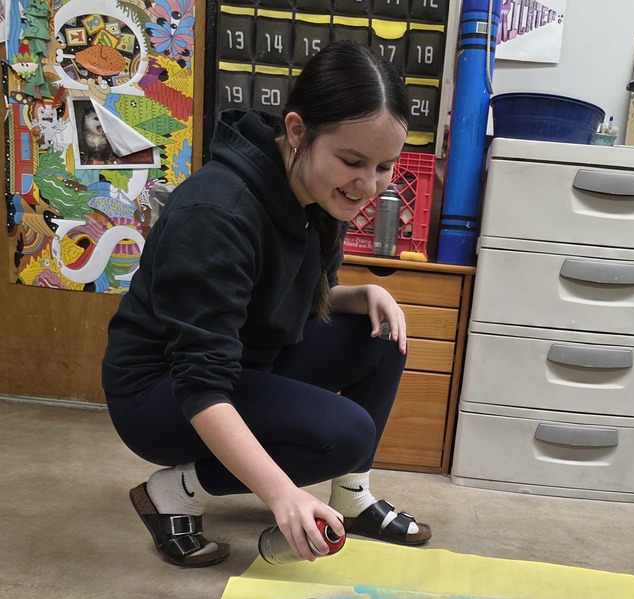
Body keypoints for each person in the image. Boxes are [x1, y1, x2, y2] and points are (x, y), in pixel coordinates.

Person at [102, 40, 431, 568]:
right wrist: (281, 494)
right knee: (344, 434)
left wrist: (361, 294)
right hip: (160, 391)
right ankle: (175, 489)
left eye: (384, 166)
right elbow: (200, 380)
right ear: (297, 131)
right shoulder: (217, 212)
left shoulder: (319, 193)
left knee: (382, 335)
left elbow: (294, 299)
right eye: (352, 161)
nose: (368, 185)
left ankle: (350, 495)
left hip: (246, 357)